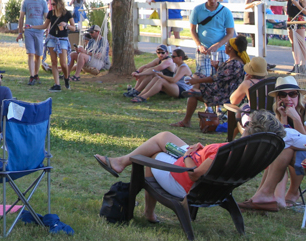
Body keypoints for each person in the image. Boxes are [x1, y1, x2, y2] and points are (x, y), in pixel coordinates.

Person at [93, 109, 285, 222]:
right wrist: (198, 152)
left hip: (185, 180)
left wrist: (189, 154)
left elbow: (194, 174)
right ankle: (122, 163)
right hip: (210, 179)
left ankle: (145, 206)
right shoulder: (249, 154)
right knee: (164, 137)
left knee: (151, 157)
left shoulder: (226, 152)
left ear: (249, 129)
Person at [242, 76, 306, 210]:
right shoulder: (280, 114)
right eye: (283, 95)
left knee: (284, 148)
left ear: (298, 96)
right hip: (296, 154)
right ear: (277, 99)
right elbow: (284, 137)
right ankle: (271, 197)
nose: (288, 99)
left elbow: (304, 142)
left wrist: (297, 120)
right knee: (282, 147)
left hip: (302, 155)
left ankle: (274, 196)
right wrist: (283, 118)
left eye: (292, 94)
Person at [173, 36, 248, 128]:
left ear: (231, 48)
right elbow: (223, 77)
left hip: (223, 94)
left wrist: (195, 81)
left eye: (226, 45)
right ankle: (195, 92)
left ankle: (186, 120)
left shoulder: (234, 63)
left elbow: (215, 78)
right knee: (197, 75)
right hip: (220, 88)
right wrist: (216, 67)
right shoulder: (233, 61)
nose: (224, 46)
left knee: (194, 94)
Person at [189, 0, 235, 77]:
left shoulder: (226, 11)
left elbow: (230, 33)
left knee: (221, 76)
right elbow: (192, 30)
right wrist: (199, 45)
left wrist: (218, 45)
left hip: (221, 49)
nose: (213, 1)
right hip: (204, 49)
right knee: (202, 75)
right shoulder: (197, 10)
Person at [16, 0, 48, 86]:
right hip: (29, 30)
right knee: (30, 53)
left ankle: (36, 74)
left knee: (38, 54)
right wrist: (20, 32)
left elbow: (47, 17)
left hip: (39, 31)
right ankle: (31, 75)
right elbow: (21, 17)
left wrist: (48, 29)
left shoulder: (43, 3)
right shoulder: (26, 2)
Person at [44, 0, 75, 91]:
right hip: (52, 38)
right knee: (53, 62)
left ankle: (66, 78)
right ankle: (57, 84)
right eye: (51, 4)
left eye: (53, 4)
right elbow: (45, 25)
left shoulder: (66, 13)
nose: (52, 6)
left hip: (62, 39)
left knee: (63, 63)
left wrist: (66, 25)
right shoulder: (50, 13)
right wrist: (31, 27)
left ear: (59, 3)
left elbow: (74, 28)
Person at [282, 0, 306, 74]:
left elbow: (305, 11)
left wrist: (297, 4)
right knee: (293, 43)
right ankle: (296, 64)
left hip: (299, 20)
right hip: (291, 20)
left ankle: (303, 64)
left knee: (301, 43)